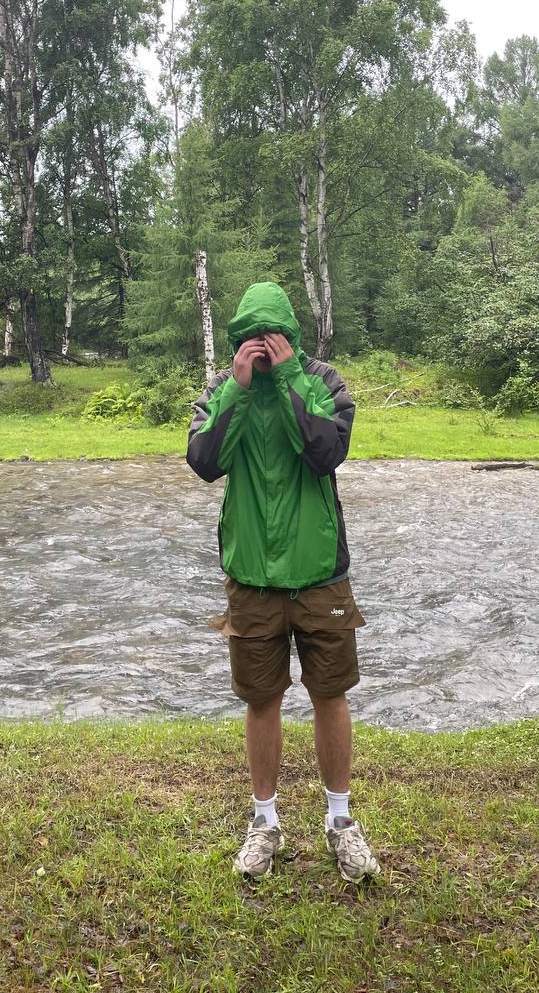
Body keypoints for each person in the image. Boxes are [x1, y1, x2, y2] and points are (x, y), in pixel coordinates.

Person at [186, 281, 380, 883]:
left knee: (331, 694)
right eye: (251, 338)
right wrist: (239, 388)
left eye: (271, 337)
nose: (262, 347)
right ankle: (264, 822)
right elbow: (204, 461)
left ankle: (341, 822)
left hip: (320, 574)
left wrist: (291, 375)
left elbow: (327, 453)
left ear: (291, 336)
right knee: (261, 699)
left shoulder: (322, 381)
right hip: (251, 576)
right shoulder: (223, 388)